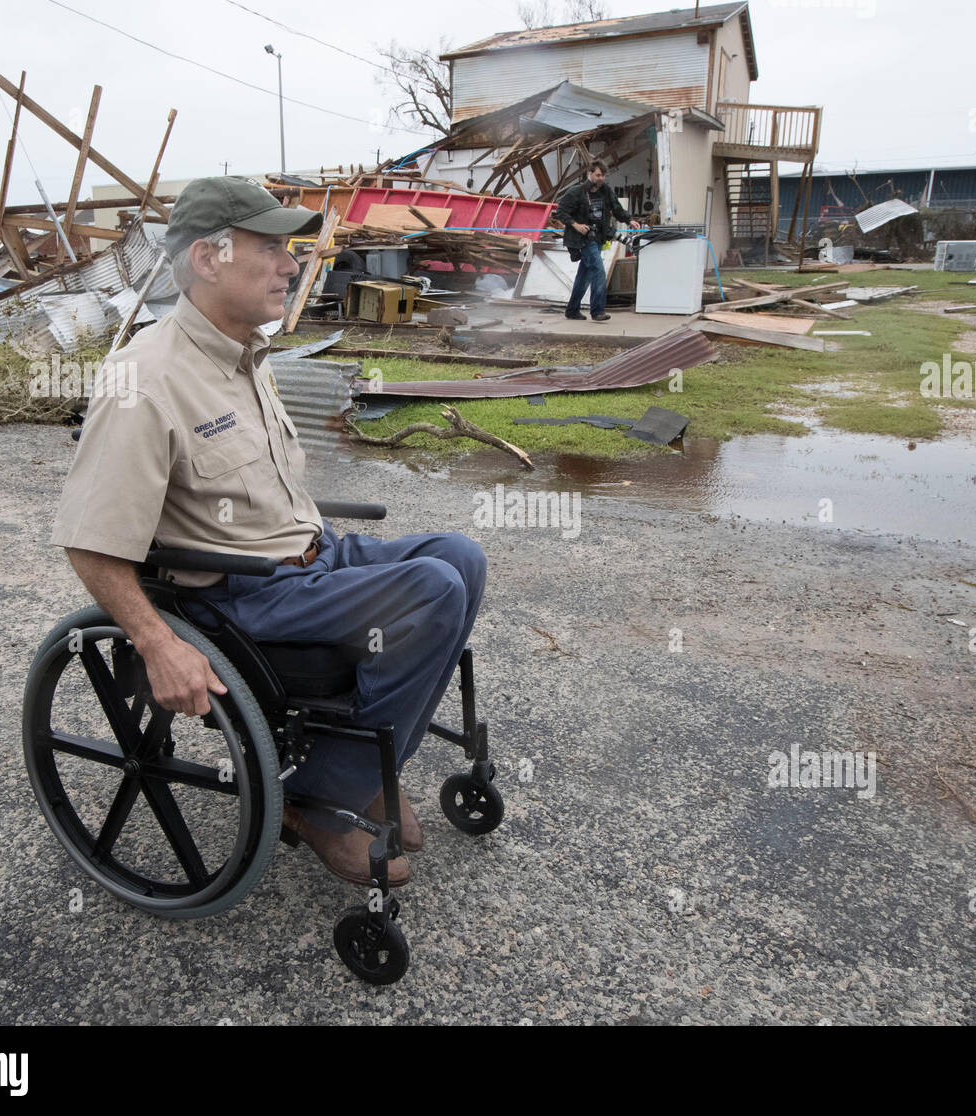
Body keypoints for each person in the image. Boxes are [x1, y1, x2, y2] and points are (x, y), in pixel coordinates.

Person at [51, 176, 487, 886]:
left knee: (459, 557)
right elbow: (89, 538)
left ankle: (362, 767)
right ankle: (317, 799)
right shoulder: (146, 378)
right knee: (431, 591)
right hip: (242, 594)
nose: (291, 264)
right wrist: (156, 642)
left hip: (308, 557)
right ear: (208, 258)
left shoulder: (248, 356)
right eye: (271, 247)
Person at [557, 160, 640, 323]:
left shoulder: (606, 192)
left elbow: (617, 209)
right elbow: (561, 211)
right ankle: (597, 311)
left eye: (603, 175)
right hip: (583, 240)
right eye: (598, 175)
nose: (601, 178)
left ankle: (572, 310)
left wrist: (629, 219)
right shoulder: (576, 192)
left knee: (584, 276)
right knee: (598, 271)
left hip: (599, 237)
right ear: (590, 174)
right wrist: (576, 225)